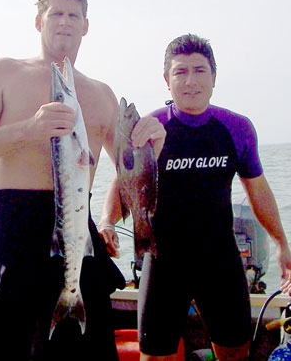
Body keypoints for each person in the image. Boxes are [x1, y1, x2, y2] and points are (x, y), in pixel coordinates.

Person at [0, 0, 167, 361]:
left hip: (78, 228)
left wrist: (152, 150)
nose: (64, 22)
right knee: (14, 349)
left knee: (89, 349)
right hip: (11, 226)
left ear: (86, 25)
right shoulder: (4, 73)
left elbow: (127, 171)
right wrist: (28, 130)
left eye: (73, 15)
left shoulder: (102, 93)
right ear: (38, 21)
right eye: (55, 13)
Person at [99, 34, 291, 361]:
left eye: (200, 71)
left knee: (234, 353)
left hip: (219, 259)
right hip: (162, 261)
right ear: (166, 80)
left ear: (214, 77)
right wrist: (106, 221)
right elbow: (123, 185)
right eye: (180, 72)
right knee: (154, 356)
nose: (190, 81)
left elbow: (257, 191)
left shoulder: (236, 128)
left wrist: (281, 243)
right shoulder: (151, 127)